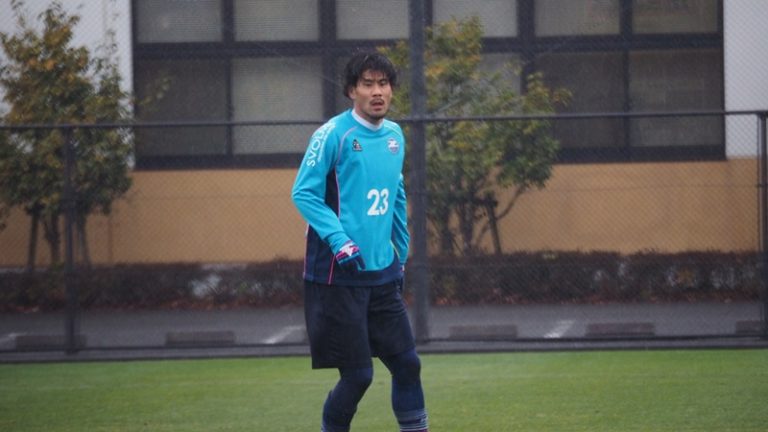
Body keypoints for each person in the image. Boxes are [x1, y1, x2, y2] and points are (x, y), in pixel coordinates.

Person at [291, 51, 429, 432]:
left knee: (408, 365)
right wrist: (340, 241)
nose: (377, 92)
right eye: (368, 84)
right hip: (338, 277)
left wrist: (401, 251)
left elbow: (396, 193)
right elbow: (303, 193)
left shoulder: (395, 136)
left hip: (382, 275)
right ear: (352, 91)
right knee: (358, 376)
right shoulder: (333, 135)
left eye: (383, 84)